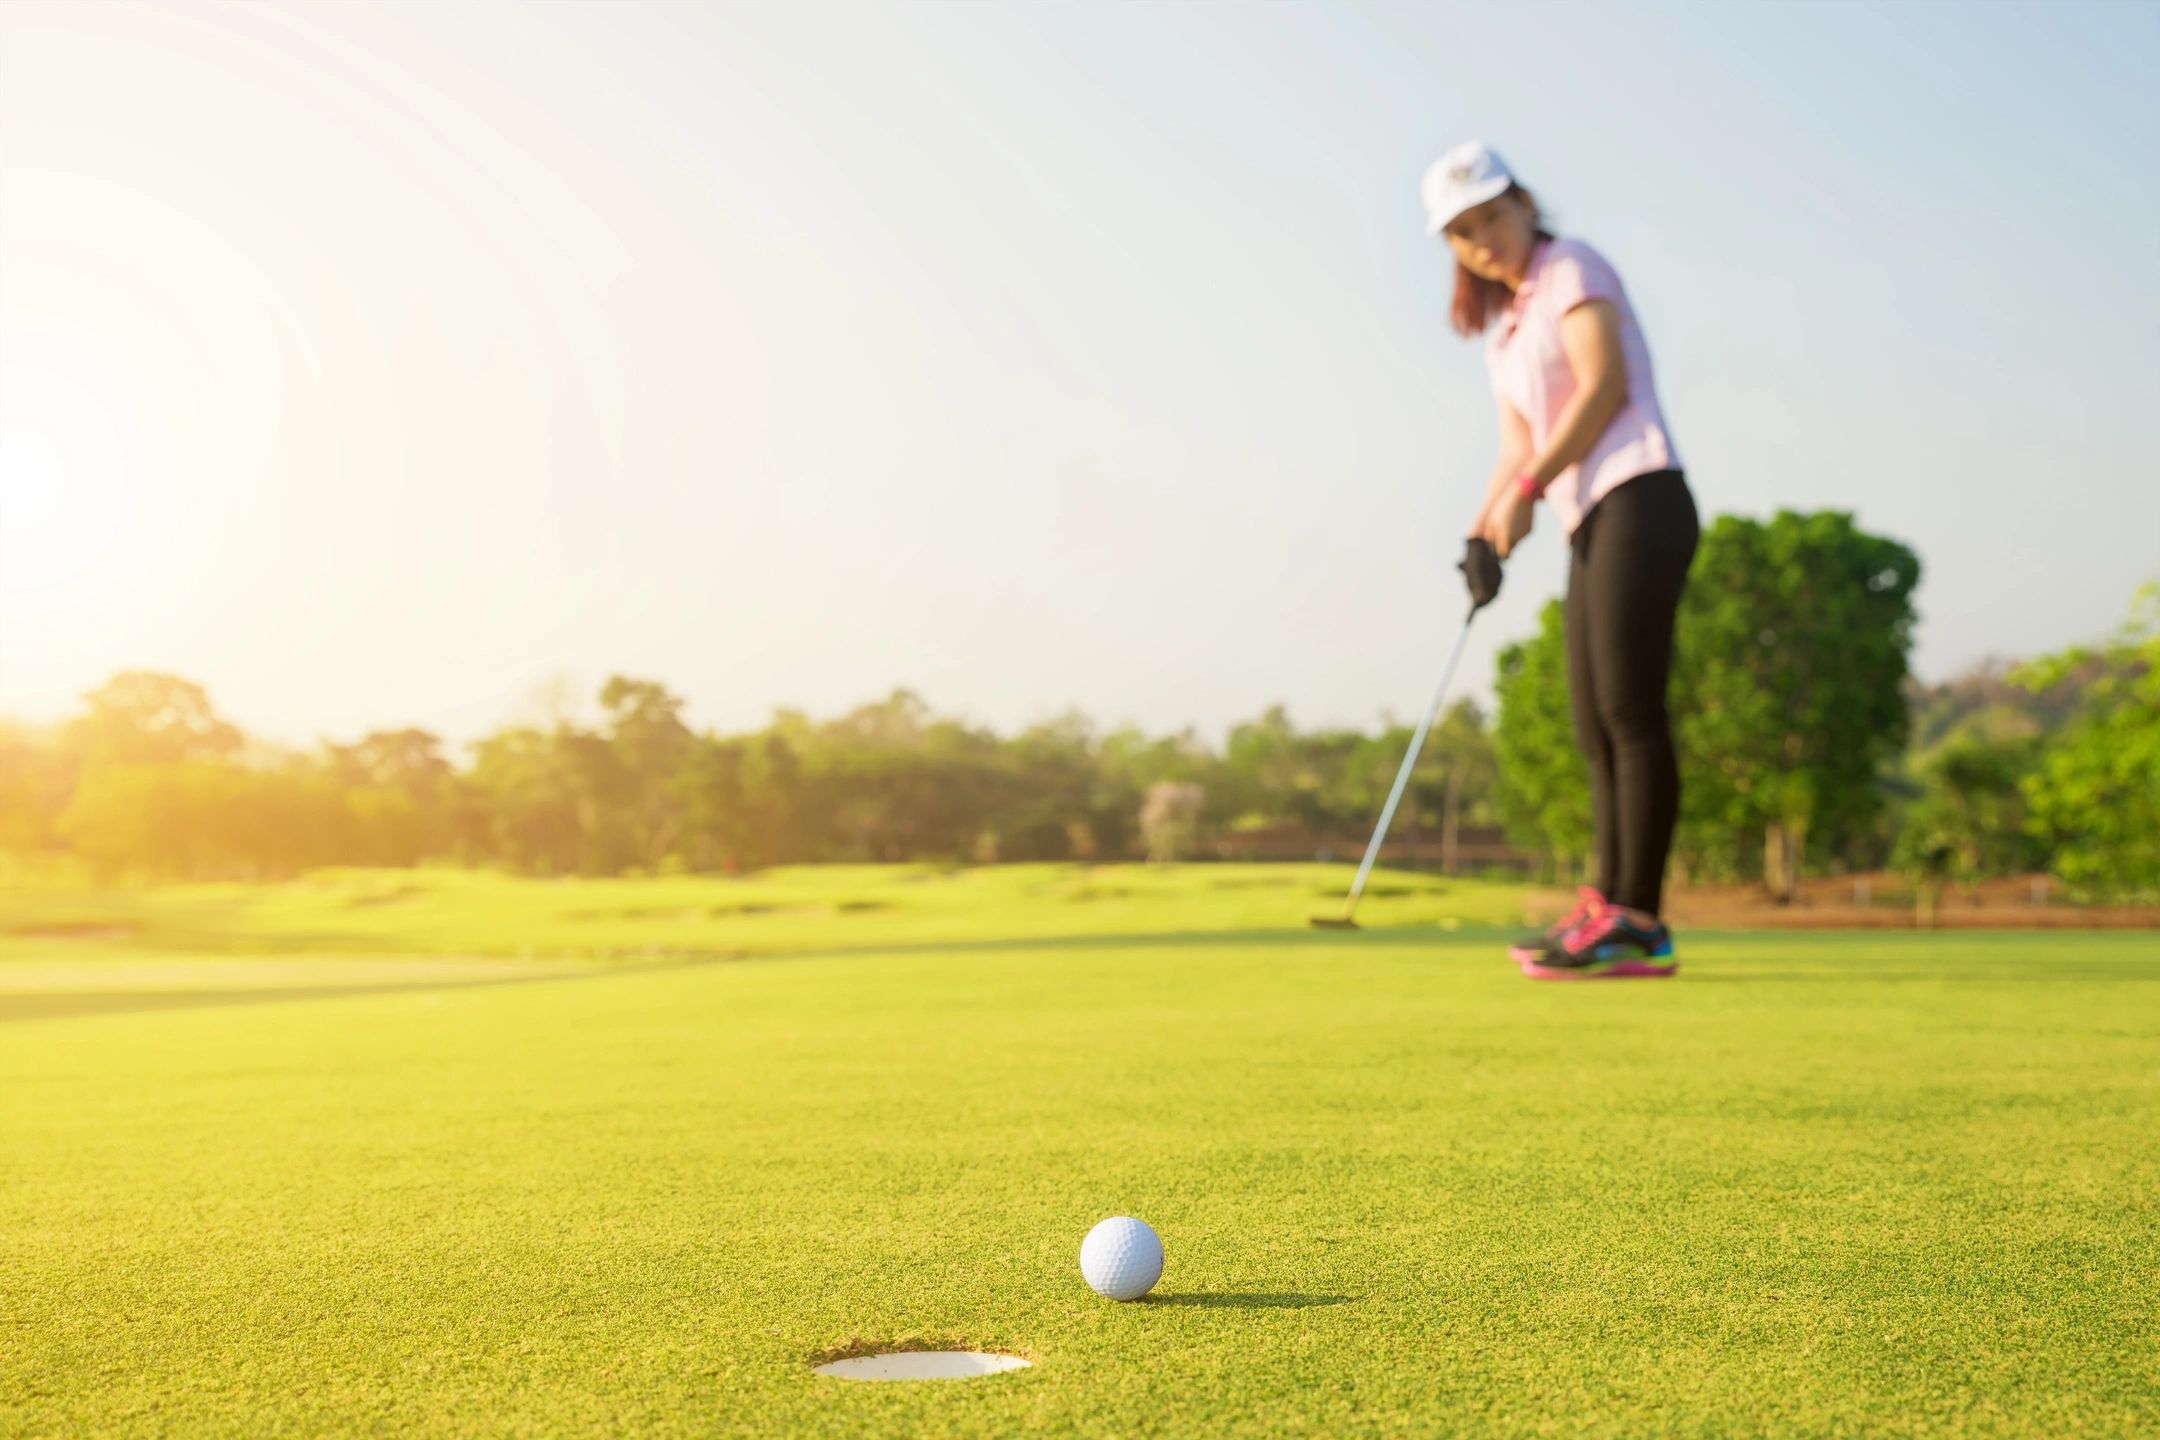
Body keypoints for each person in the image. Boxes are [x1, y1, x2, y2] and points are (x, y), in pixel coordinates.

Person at [1424, 140, 1699, 980]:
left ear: (1525, 207)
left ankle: (1638, 918)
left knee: (1630, 714)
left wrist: (1532, 488)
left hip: (1640, 493)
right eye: (1465, 232)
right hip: (1591, 516)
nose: (1485, 239)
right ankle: (1605, 902)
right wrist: (1482, 532)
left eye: (1494, 216)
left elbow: (1603, 385)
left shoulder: (1573, 268)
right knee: (1591, 725)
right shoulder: (1504, 333)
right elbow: (1518, 448)